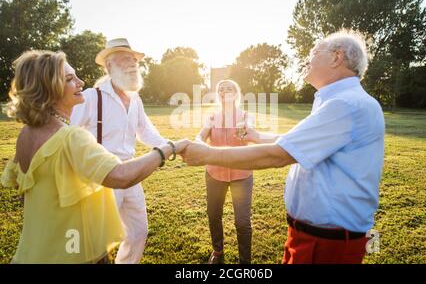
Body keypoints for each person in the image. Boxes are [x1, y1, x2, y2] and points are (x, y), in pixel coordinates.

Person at [181, 30, 385, 264]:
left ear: (336, 57)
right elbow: (292, 140)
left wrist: (207, 154)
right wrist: (257, 136)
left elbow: (278, 155)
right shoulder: (338, 101)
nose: (308, 57)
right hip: (312, 236)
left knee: (242, 221)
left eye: (314, 51)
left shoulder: (345, 104)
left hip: (327, 244)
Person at [1, 50, 189, 264]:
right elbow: (121, 175)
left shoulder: (27, 134)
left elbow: (27, 190)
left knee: (138, 231)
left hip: (34, 252)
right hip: (78, 240)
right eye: (70, 79)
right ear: (50, 89)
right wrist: (171, 148)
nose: (81, 82)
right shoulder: (73, 133)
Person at [71, 38, 166, 264]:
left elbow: (145, 131)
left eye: (133, 60)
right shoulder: (92, 96)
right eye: (125, 59)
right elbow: (69, 133)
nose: (133, 64)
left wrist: (170, 147)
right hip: (102, 177)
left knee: (138, 232)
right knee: (97, 241)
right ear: (109, 66)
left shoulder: (135, 99)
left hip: (131, 173)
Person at [196, 79, 255, 264]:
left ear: (236, 93)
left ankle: (245, 262)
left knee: (243, 221)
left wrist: (246, 130)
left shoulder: (245, 115)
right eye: (221, 89)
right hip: (215, 174)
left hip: (242, 175)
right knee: (214, 214)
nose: (225, 91)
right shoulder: (212, 117)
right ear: (218, 94)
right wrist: (198, 142)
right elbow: (201, 136)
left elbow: (250, 129)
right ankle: (218, 252)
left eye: (229, 88)